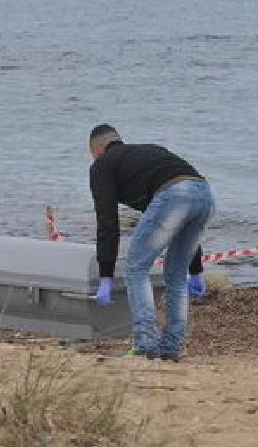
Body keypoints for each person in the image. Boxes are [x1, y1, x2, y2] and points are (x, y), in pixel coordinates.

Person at [88, 124, 214, 361]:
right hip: (204, 193)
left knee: (136, 268)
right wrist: (195, 268)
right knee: (176, 274)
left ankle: (145, 342)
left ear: (97, 150)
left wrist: (105, 275)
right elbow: (183, 204)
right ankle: (171, 348)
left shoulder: (102, 165)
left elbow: (107, 221)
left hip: (174, 195)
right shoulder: (145, 158)